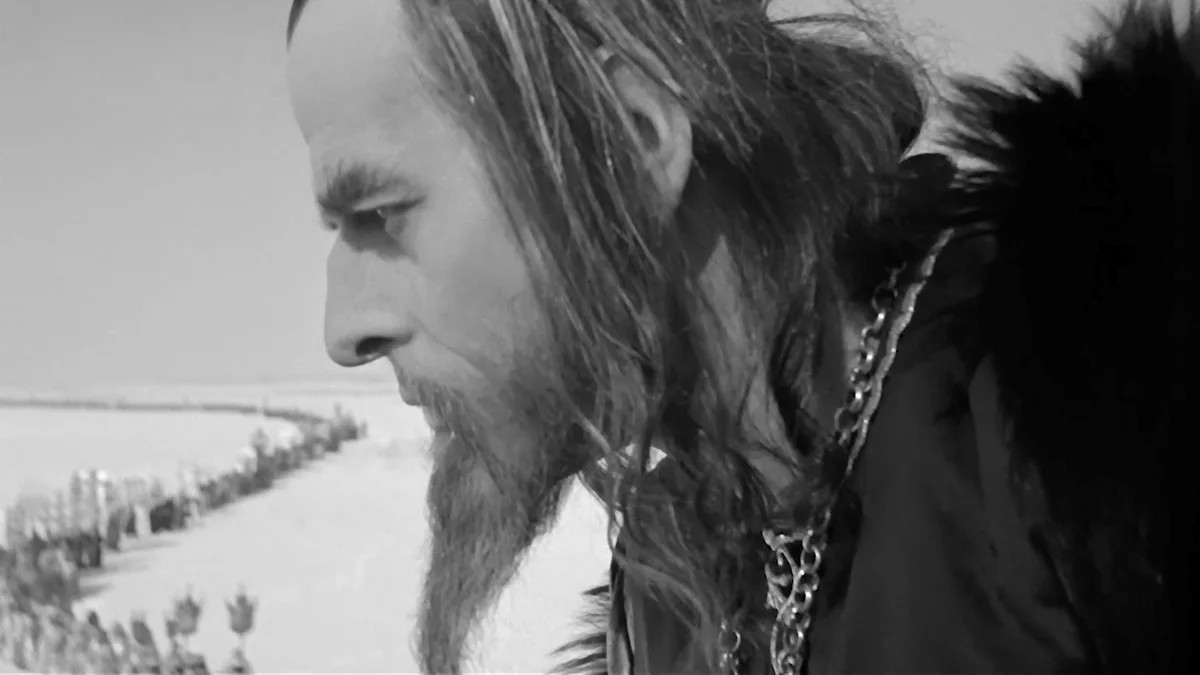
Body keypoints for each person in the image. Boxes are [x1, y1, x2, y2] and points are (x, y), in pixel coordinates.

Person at [284, 0, 1193, 673]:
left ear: (629, 145)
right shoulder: (664, 593)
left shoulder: (1088, 394)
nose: (343, 330)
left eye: (380, 212)